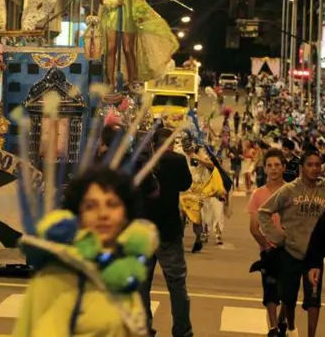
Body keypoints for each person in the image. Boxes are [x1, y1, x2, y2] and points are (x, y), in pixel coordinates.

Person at [14, 166, 159, 336]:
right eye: (91, 206)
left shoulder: (123, 271)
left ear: (126, 214)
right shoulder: (56, 277)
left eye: (112, 204)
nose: (103, 214)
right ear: (79, 215)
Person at [257, 151, 325, 337]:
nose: (314, 169)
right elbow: (263, 212)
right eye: (310, 165)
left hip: (315, 257)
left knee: (314, 300)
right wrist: (277, 236)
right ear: (301, 168)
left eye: (317, 165)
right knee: (288, 297)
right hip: (291, 252)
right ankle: (290, 327)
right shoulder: (288, 190)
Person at [139, 128, 195, 337]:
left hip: (143, 231)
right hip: (169, 231)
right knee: (177, 284)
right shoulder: (177, 161)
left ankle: (144, 327)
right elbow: (186, 184)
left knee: (142, 285)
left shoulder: (143, 161)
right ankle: (182, 330)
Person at [248, 149, 288, 336]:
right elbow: (254, 228)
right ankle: (273, 327)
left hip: (290, 249)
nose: (273, 169)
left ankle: (282, 320)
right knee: (270, 287)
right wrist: (265, 246)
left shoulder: (292, 191)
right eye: (269, 165)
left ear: (284, 167)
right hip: (268, 250)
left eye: (277, 165)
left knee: (288, 290)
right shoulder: (258, 195)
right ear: (264, 169)